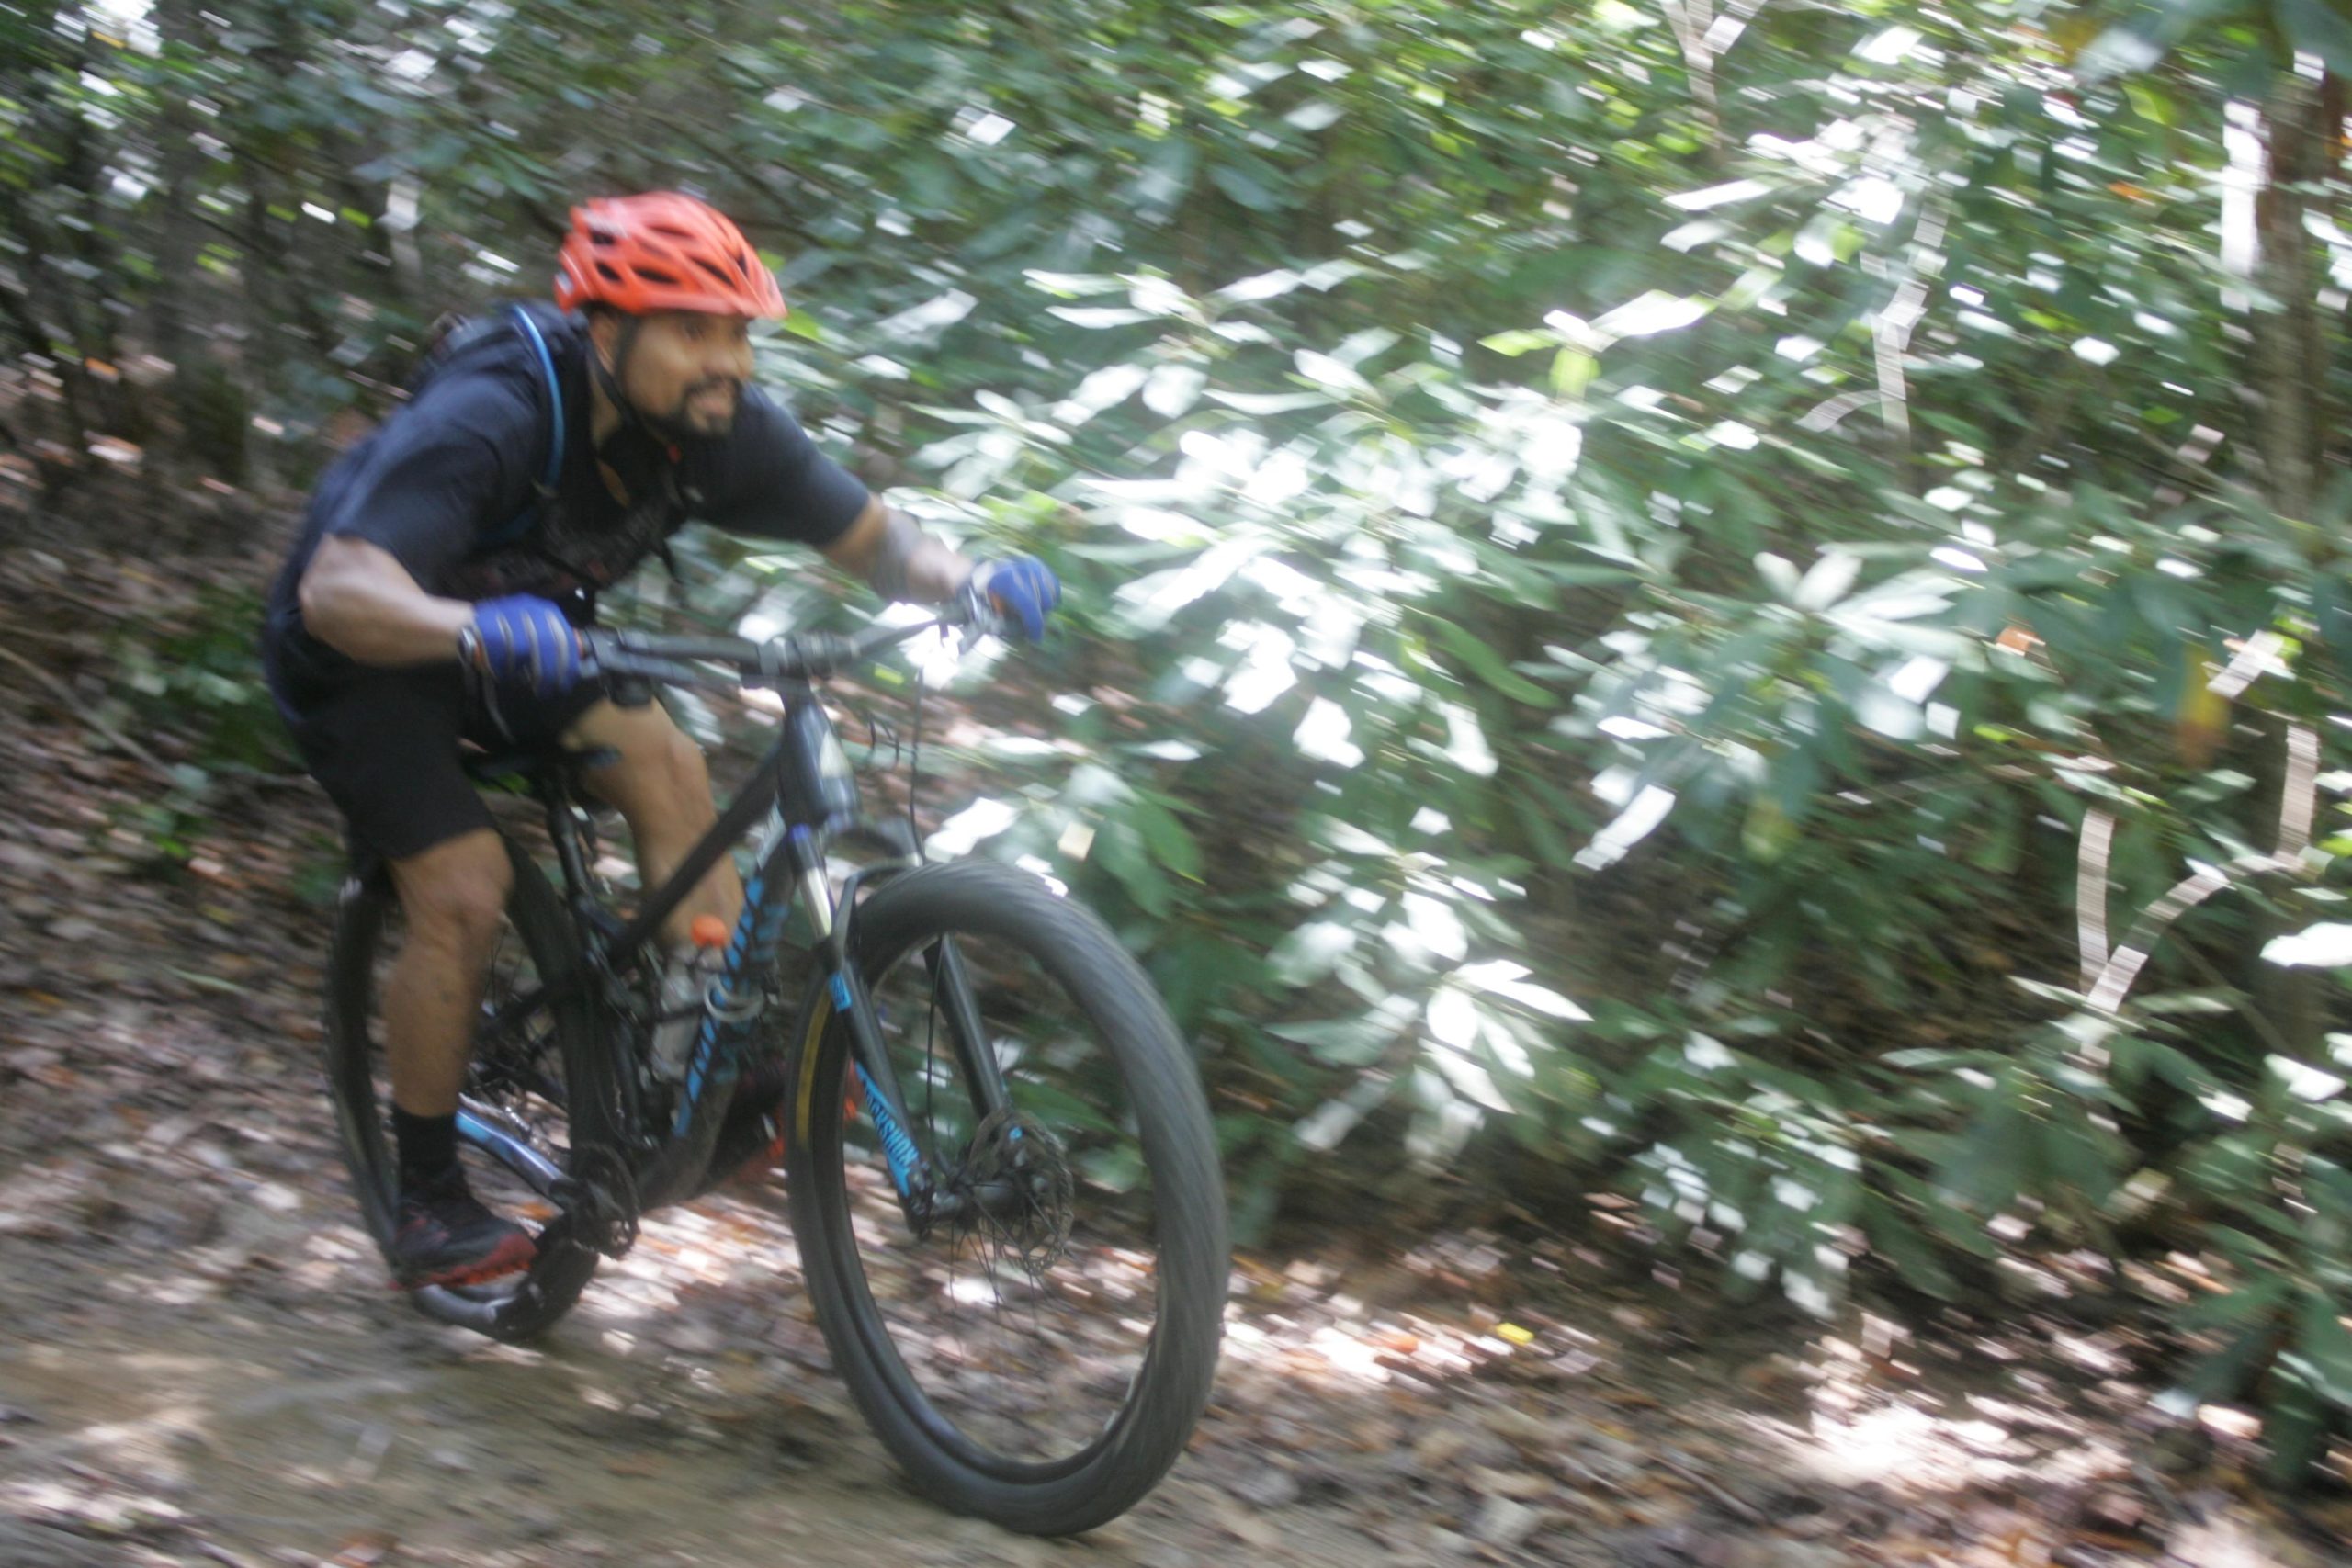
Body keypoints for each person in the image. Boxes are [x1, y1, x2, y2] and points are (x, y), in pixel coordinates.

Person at [259, 192, 1061, 1289]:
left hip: (529, 643)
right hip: (368, 652)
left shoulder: (718, 429)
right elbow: (338, 590)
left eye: (736, 333)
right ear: (606, 334)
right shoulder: (496, 412)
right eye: (693, 330)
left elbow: (879, 544)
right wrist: (470, 629)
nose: (723, 361)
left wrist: (969, 578)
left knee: (670, 762)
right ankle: (426, 1194)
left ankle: (696, 1070)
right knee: (460, 885)